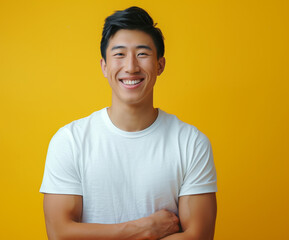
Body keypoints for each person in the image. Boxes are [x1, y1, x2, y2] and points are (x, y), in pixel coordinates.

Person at [40, 6, 217, 240]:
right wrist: (144, 229)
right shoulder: (70, 140)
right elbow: (60, 234)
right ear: (104, 66)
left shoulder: (191, 143)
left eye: (142, 54)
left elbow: (198, 236)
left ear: (160, 65)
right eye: (119, 54)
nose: (131, 67)